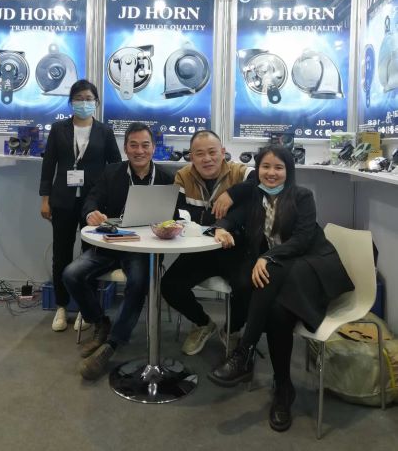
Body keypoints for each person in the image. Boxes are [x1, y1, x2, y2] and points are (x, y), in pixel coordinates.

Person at [207, 146, 354, 432]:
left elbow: (302, 240)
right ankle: (284, 388)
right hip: (282, 277)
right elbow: (231, 218)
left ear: (289, 171)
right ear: (258, 170)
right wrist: (221, 228)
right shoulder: (255, 198)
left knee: (270, 269)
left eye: (278, 167)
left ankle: (244, 351)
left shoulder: (302, 197)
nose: (271, 173)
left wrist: (267, 257)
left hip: (312, 268)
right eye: (266, 166)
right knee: (276, 312)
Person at [63, 122, 174, 381]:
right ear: (125, 148)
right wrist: (90, 212)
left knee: (138, 282)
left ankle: (111, 344)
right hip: (110, 244)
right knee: (71, 274)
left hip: (143, 250)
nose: (139, 151)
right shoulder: (111, 172)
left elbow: (176, 214)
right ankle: (100, 322)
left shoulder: (166, 178)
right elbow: (91, 199)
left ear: (153, 148)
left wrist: (171, 224)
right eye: (133, 145)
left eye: (145, 145)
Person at [161, 130, 254, 356]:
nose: (207, 159)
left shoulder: (240, 172)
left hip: (234, 248)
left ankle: (232, 330)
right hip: (200, 249)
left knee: (246, 285)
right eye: (199, 154)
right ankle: (203, 323)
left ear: (223, 152)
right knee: (169, 286)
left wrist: (232, 194)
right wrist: (219, 221)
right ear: (191, 156)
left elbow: (260, 181)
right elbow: (179, 214)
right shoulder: (183, 176)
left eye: (212, 152)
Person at [39, 79, 121, 332]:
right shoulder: (58, 129)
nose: (84, 103)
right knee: (61, 254)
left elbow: (115, 167)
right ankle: (61, 306)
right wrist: (45, 199)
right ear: (71, 101)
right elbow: (48, 166)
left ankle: (88, 310)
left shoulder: (105, 131)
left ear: (96, 102)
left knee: (90, 255)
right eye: (79, 98)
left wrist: (112, 203)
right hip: (62, 200)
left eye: (88, 99)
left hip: (93, 203)